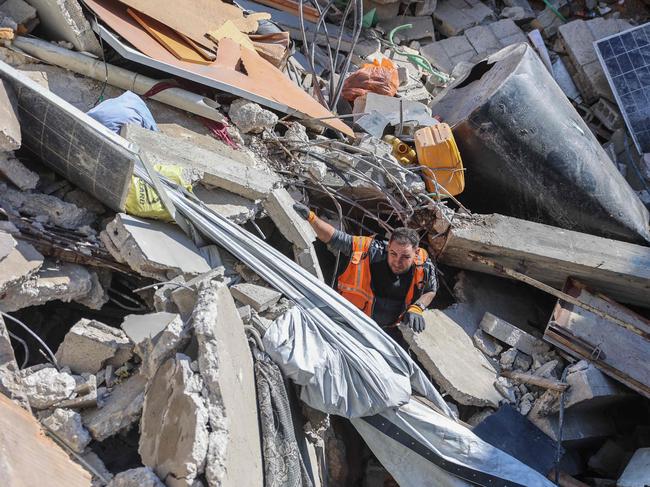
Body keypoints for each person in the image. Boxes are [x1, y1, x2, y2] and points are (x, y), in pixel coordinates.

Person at [293, 202, 438, 334]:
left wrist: (418, 307)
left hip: (387, 330)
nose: (397, 261)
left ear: (416, 252)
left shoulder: (423, 265)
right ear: (388, 247)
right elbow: (334, 237)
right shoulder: (368, 250)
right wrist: (311, 218)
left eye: (405, 257)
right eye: (393, 253)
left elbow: (431, 290)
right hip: (348, 320)